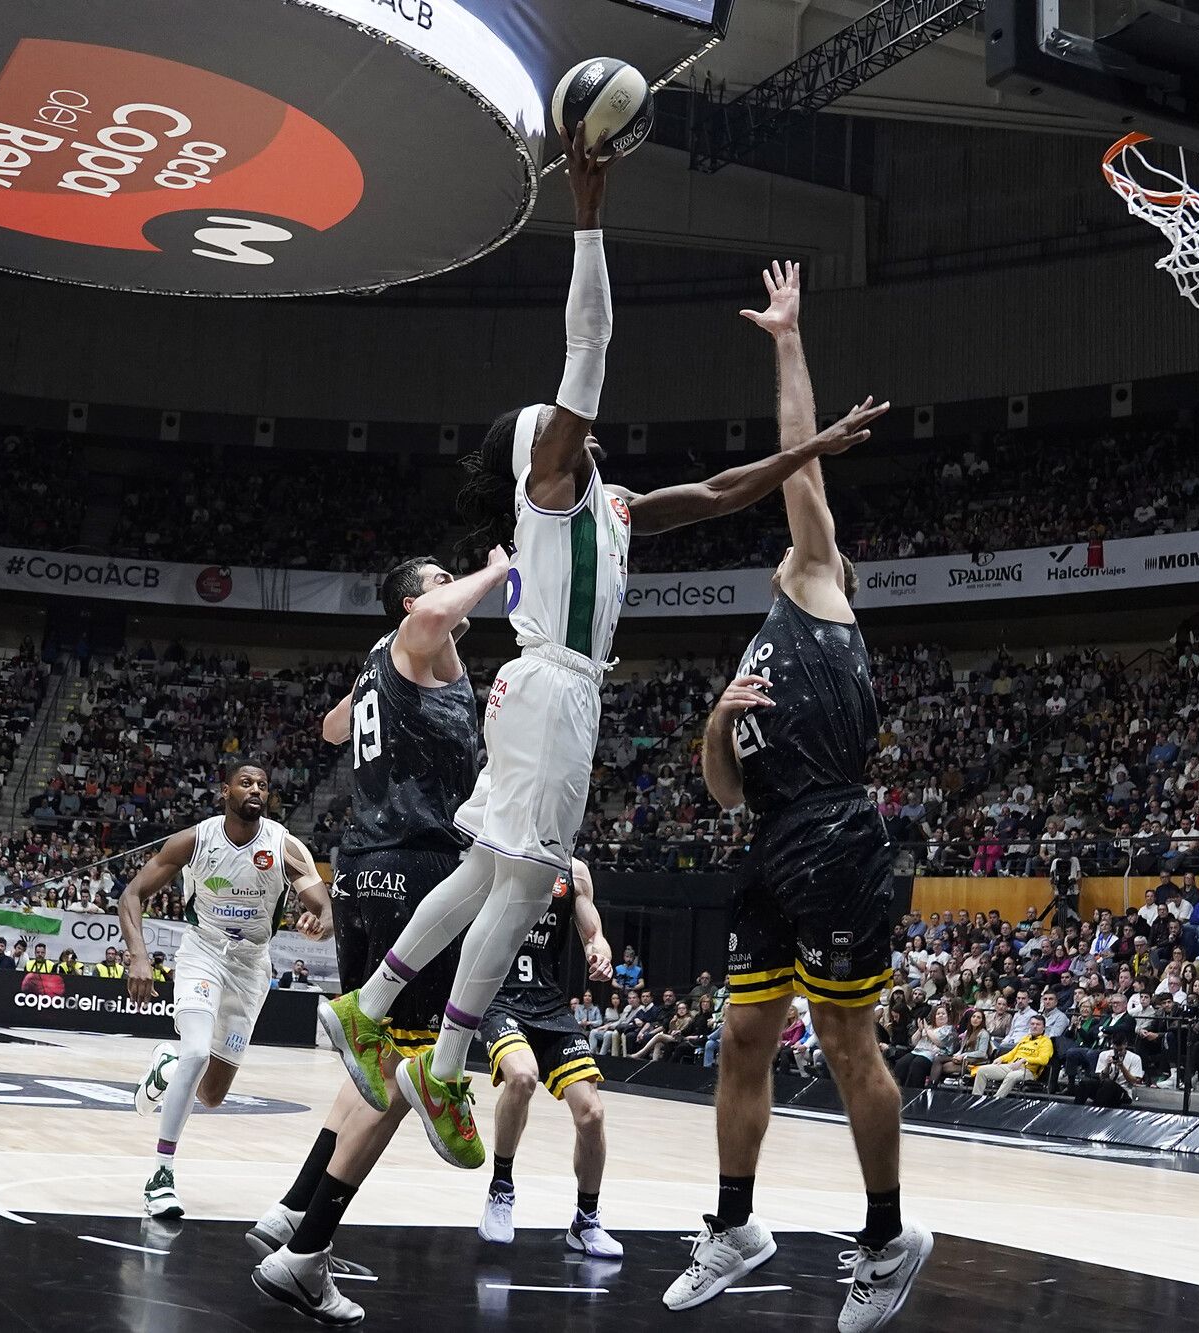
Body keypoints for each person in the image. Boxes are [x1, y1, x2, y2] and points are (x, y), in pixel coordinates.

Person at [320, 150, 889, 1172]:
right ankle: (444, 1061)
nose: (575, 425)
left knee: (492, 865)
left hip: (547, 688)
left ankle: (365, 1009)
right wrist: (587, 218)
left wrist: (816, 448)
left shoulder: (613, 503)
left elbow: (719, 492)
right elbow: (587, 348)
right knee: (523, 877)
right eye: (558, 424)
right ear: (538, 444)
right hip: (550, 686)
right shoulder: (549, 483)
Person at [664, 262, 913, 1328]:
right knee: (740, 1037)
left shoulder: (817, 585)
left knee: (850, 1042)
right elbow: (720, 791)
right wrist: (716, 721)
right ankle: (733, 1225)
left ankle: (887, 1236)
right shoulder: (758, 646)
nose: (802, 535)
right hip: (767, 839)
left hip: (838, 838)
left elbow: (799, 466)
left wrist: (784, 341)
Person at [248, 551, 497, 1326]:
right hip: (414, 868)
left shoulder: (389, 663)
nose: (449, 587)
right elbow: (428, 619)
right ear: (411, 605)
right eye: (437, 580)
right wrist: (503, 569)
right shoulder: (418, 638)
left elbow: (331, 728)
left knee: (374, 1057)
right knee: (407, 1072)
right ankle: (307, 1254)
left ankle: (294, 1208)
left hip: (361, 867)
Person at [118, 762, 332, 1220]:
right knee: (197, 1052)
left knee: (213, 1094)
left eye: (262, 785)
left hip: (252, 963)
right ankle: (161, 1175)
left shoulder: (283, 845)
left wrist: (321, 922)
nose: (255, 789)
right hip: (203, 950)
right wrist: (138, 955)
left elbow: (325, 907)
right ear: (225, 791)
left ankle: (165, 1067)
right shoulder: (196, 839)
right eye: (246, 782)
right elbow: (132, 894)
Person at [476, 858, 621, 1257]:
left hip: (549, 1004)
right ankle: (501, 1190)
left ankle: (586, 1220)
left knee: (591, 1112)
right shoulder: (494, 853)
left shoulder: (574, 871)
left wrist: (600, 952)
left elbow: (594, 933)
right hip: (499, 997)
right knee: (521, 1077)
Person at [970, 1014, 1052, 1098]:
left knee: (1011, 1076)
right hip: (1011, 1066)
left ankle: (996, 1099)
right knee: (982, 1070)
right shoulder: (1025, 1038)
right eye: (1032, 1024)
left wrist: (1024, 1060)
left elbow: (1043, 1060)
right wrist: (1001, 1058)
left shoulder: (1046, 1041)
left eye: (1038, 1024)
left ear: (1044, 1027)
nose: (1034, 1026)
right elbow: (1012, 1053)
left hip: (1028, 1071)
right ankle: (976, 1098)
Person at [1072, 1029, 1143, 1108]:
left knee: (1108, 1083)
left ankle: (1096, 1110)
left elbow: (1133, 1081)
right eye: (1116, 1050)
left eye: (1120, 1050)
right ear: (1112, 1045)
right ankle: (1075, 1109)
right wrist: (1108, 1066)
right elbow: (1101, 1078)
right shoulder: (1104, 1055)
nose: (1118, 1053)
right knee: (1085, 1082)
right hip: (1104, 1087)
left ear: (1126, 1044)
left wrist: (1122, 1067)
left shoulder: (1135, 1058)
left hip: (1122, 1091)